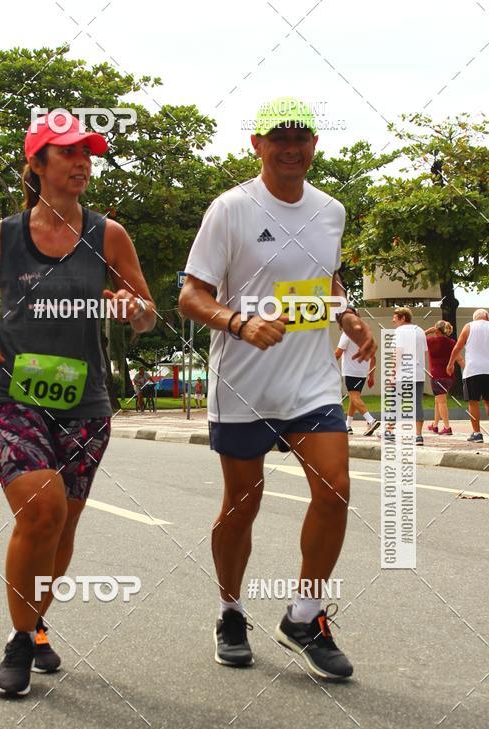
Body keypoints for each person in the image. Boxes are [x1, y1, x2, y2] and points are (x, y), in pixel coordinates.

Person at [179, 96, 376, 679]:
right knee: (243, 505)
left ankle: (305, 615)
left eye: (300, 137)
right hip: (244, 385)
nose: (291, 148)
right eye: (278, 137)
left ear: (314, 144)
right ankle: (230, 610)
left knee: (336, 489)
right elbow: (191, 296)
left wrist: (348, 315)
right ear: (257, 145)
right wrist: (239, 323)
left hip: (311, 383)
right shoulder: (230, 209)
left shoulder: (331, 210)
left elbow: (325, 277)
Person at [0, 111, 156, 696]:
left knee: (63, 524)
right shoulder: (0, 236)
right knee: (41, 511)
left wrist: (132, 310)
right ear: (37, 163)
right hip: (12, 392)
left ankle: (35, 622)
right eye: (68, 151)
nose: (81, 162)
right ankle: (21, 639)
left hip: (85, 400)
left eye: (87, 153)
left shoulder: (109, 234)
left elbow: (147, 311)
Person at [385, 307, 428, 446]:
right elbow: (425, 352)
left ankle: (389, 431)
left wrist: (392, 374)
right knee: (417, 403)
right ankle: (418, 436)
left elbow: (397, 353)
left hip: (402, 373)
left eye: (395, 317)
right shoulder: (420, 331)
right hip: (418, 373)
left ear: (403, 318)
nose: (393, 320)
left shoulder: (399, 332)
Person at [334, 306, 378, 436]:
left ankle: (371, 420)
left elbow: (337, 354)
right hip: (362, 371)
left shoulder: (346, 334)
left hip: (351, 371)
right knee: (355, 397)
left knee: (354, 397)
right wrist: (371, 375)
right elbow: (373, 357)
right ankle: (348, 425)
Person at [447, 308, 489, 442]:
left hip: (473, 370)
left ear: (474, 318)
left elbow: (458, 347)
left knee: (473, 402)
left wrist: (451, 363)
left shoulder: (469, 326)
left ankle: (477, 433)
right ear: (487, 317)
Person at [424, 320, 463, 435]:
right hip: (449, 376)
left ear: (436, 330)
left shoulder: (430, 341)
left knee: (441, 402)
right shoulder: (452, 342)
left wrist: (427, 331)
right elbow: (459, 359)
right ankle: (435, 425)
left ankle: (447, 427)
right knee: (438, 400)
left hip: (437, 375)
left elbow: (416, 339)